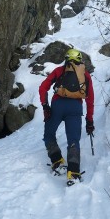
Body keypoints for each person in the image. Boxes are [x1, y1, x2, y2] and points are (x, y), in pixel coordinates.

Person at [39, 48, 94, 185]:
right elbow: (90, 99)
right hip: (75, 108)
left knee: (49, 134)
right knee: (73, 140)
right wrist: (89, 120)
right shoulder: (85, 75)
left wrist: (45, 105)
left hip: (58, 106)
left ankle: (57, 162)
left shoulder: (58, 71)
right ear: (79, 60)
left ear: (66, 59)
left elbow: (43, 87)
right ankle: (73, 173)